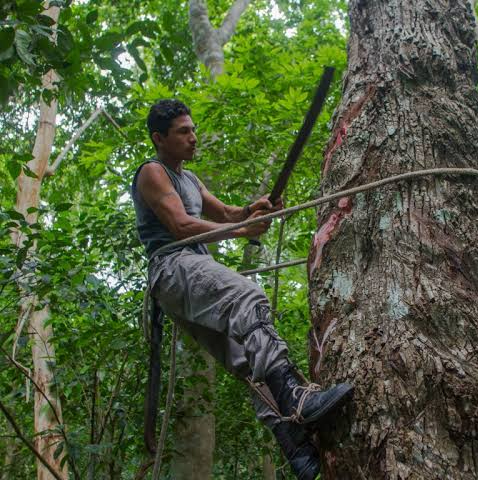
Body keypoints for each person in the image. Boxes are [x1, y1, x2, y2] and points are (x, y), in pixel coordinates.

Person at [131, 99, 352, 479]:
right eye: (183, 132)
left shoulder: (191, 178)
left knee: (246, 362)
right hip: (173, 267)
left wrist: (253, 210)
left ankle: (294, 446)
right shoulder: (153, 172)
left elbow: (228, 214)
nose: (193, 137)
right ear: (159, 138)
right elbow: (181, 227)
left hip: (186, 277)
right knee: (248, 296)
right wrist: (242, 230)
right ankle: (297, 398)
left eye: (193, 129)